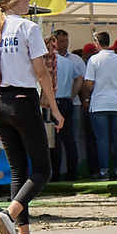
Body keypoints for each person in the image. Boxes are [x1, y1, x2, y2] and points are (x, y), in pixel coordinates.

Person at [0, 0, 58, 234]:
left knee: (18, 171)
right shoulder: (28, 28)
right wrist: (54, 108)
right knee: (42, 170)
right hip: (24, 101)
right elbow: (41, 72)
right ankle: (10, 214)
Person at [82, 31, 117, 179]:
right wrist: (115, 87)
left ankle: (103, 172)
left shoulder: (94, 59)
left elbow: (88, 83)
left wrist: (97, 88)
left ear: (97, 43)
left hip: (99, 104)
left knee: (102, 140)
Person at [48, 28, 81, 181]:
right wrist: (72, 94)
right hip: (67, 100)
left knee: (55, 139)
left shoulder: (50, 63)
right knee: (69, 139)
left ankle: (55, 173)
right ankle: (72, 172)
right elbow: (79, 78)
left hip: (54, 102)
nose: (65, 44)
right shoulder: (68, 62)